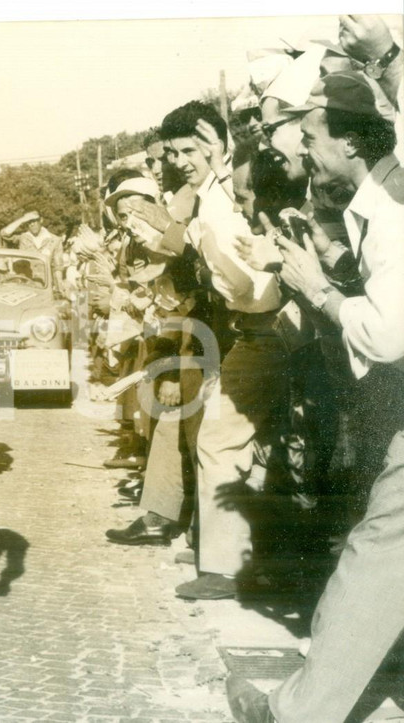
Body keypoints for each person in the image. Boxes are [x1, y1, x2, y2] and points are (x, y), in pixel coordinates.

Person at [227, 71, 404, 723]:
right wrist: (318, 262)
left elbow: (386, 334)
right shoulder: (378, 196)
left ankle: (298, 712)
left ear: (349, 143)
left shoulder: (391, 207)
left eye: (309, 137)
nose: (302, 151)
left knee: (376, 554)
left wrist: (320, 292)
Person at [157, 101, 287, 601]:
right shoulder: (209, 193)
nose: (181, 161)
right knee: (224, 438)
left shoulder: (233, 186)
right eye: (174, 153)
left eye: (189, 149)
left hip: (269, 328)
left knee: (218, 438)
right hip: (249, 329)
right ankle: (224, 557)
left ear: (214, 138)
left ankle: (224, 569)